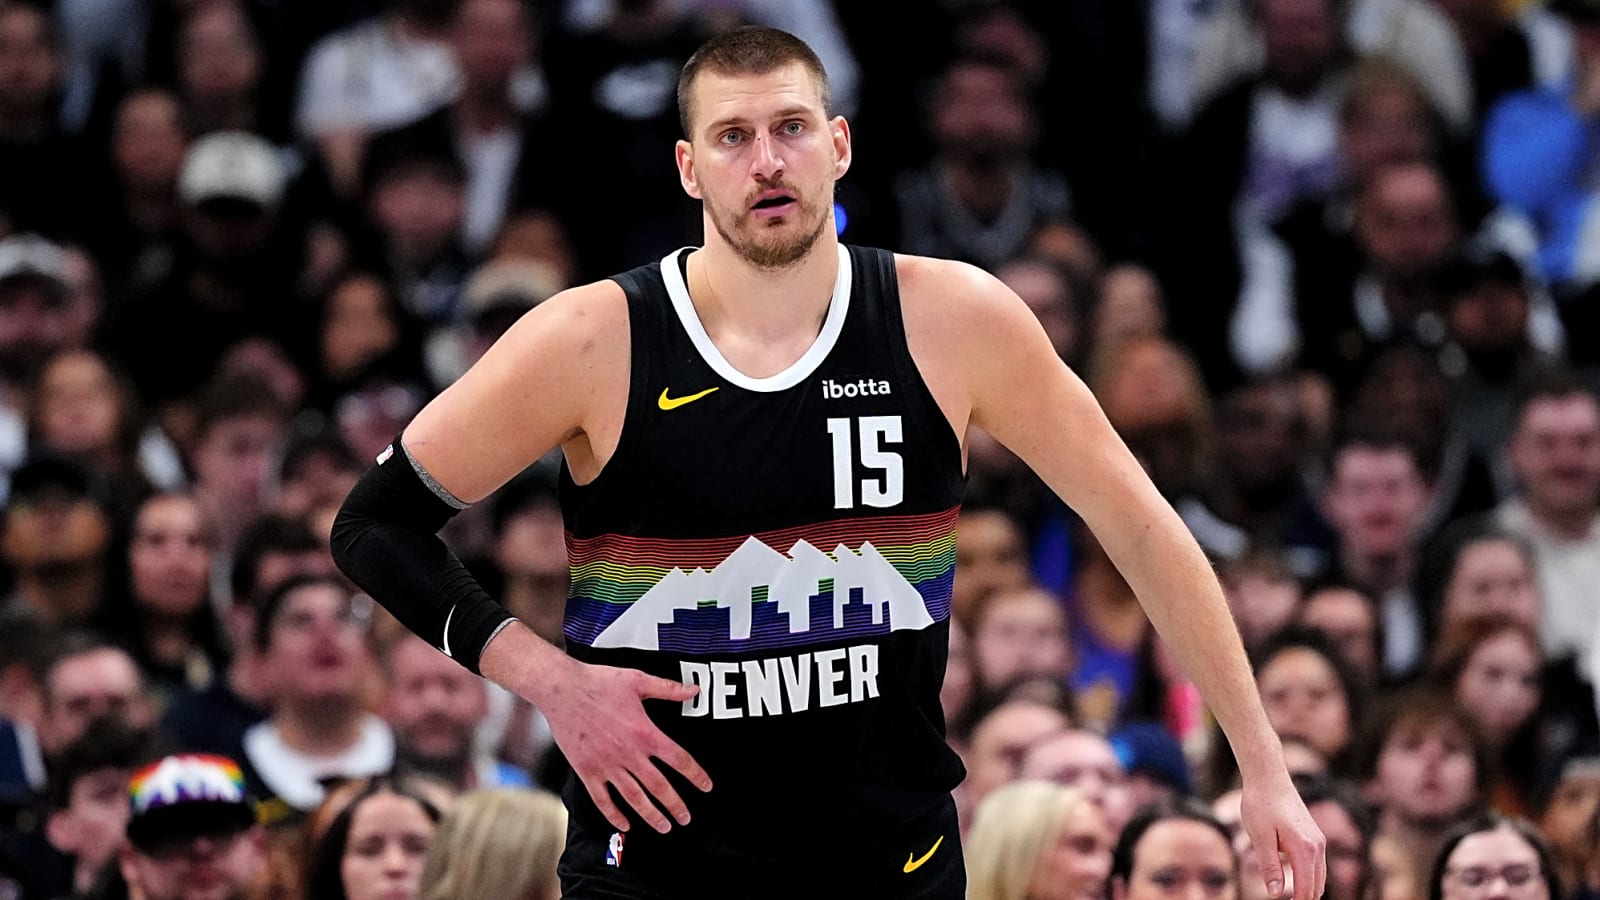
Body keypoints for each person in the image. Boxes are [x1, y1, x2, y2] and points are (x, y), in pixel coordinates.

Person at [330, 25, 1326, 897]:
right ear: (688, 168)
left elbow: (1145, 531)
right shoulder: (594, 337)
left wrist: (1261, 767)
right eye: (732, 137)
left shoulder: (953, 318)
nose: (767, 161)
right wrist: (550, 681)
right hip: (659, 870)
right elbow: (373, 525)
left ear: (838, 145)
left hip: (888, 862)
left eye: (791, 128)